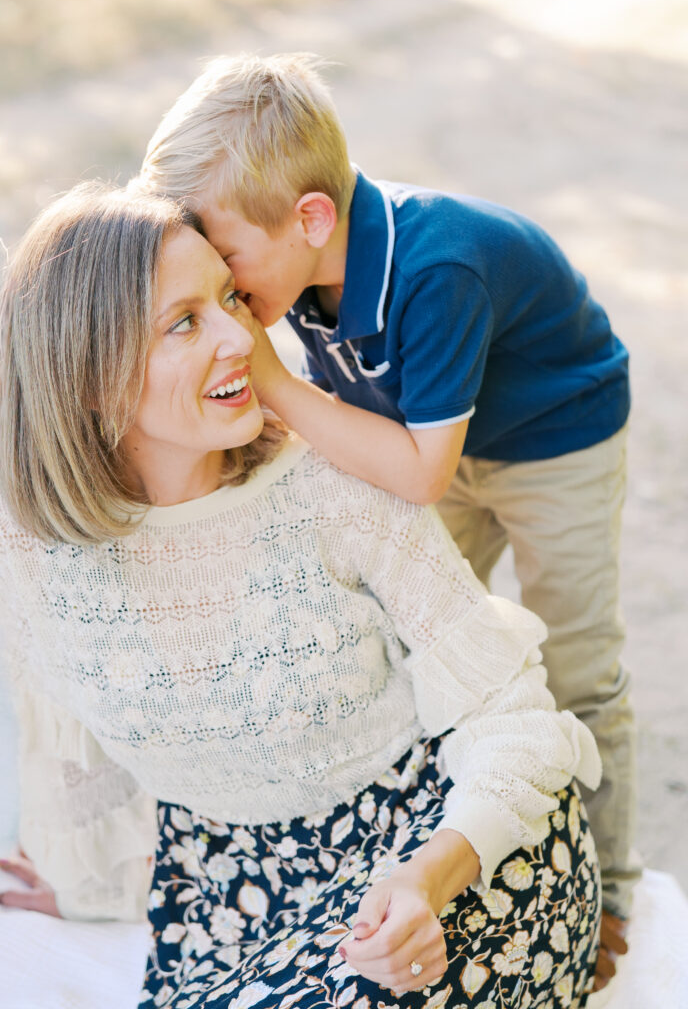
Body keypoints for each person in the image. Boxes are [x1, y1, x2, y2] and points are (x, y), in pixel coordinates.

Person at [0, 181, 603, 1009]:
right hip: (231, 887)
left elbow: (513, 716)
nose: (242, 337)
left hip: (450, 844)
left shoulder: (336, 487)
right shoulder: (19, 522)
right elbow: (55, 707)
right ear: (86, 375)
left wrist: (427, 878)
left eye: (231, 297)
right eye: (184, 322)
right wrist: (95, 873)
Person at [137, 52, 637, 985]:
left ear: (310, 219)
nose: (228, 295)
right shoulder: (302, 268)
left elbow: (416, 474)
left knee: (575, 663)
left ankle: (608, 888)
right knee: (432, 644)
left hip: (552, 437)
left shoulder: (437, 267)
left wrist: (274, 382)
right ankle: (457, 824)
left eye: (228, 263)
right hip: (433, 432)